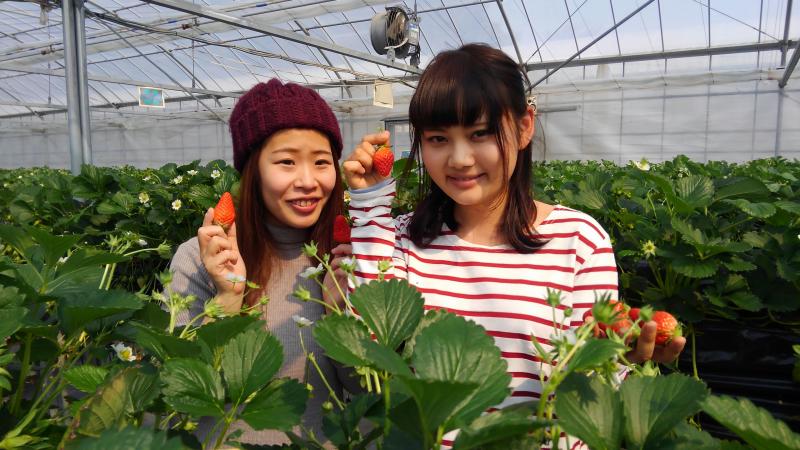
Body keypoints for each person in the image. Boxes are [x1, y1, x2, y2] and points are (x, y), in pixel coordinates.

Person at [343, 43, 686, 448]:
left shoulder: (578, 240)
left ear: (524, 127)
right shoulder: (402, 239)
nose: (459, 158)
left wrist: (617, 358)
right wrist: (369, 205)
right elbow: (368, 347)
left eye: (480, 133)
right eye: (438, 138)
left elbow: (588, 391)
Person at [167, 78, 351, 446]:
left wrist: (341, 317)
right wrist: (227, 300)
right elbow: (179, 401)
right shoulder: (201, 259)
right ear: (253, 170)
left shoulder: (343, 259)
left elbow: (368, 392)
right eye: (286, 162)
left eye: (321, 162)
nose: (308, 180)